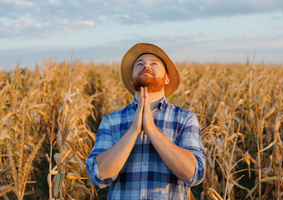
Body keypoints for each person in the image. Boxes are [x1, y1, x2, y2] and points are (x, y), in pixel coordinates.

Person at [86, 43, 206, 199]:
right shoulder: (111, 121)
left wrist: (151, 130)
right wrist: (134, 130)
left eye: (154, 63)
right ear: (131, 80)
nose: (146, 66)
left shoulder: (184, 118)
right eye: (140, 64)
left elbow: (194, 174)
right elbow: (98, 176)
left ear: (167, 78)